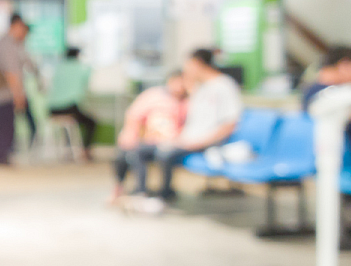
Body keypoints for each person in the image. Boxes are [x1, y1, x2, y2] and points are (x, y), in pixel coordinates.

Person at [137, 49, 243, 201]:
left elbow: (230, 123)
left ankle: (164, 195)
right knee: (140, 149)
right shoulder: (201, 88)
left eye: (188, 65)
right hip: (186, 140)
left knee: (164, 154)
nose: (186, 69)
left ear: (198, 63)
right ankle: (141, 193)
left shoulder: (224, 86)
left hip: (205, 142)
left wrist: (200, 142)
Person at [110, 71, 188, 201]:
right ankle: (136, 190)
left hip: (173, 142)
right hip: (149, 140)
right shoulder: (153, 95)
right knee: (127, 152)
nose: (179, 87)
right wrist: (130, 135)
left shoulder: (187, 101)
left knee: (163, 154)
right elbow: (134, 115)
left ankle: (165, 191)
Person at [0, 14, 31, 166]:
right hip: (5, 93)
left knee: (8, 125)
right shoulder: (7, 44)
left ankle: (5, 155)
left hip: (9, 93)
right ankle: (2, 156)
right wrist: (18, 94)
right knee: (4, 125)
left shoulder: (16, 44)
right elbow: (11, 73)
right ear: (16, 25)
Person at [47, 47, 97, 161]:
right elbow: (87, 82)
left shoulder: (58, 68)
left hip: (52, 109)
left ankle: (68, 148)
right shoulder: (81, 68)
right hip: (69, 107)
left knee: (69, 124)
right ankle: (85, 150)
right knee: (91, 122)